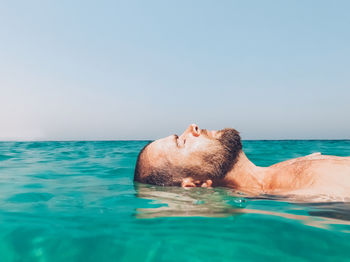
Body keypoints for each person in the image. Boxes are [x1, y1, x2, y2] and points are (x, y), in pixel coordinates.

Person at [134, 124, 350, 200]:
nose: (193, 127)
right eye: (181, 142)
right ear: (194, 184)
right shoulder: (311, 194)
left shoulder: (276, 173)